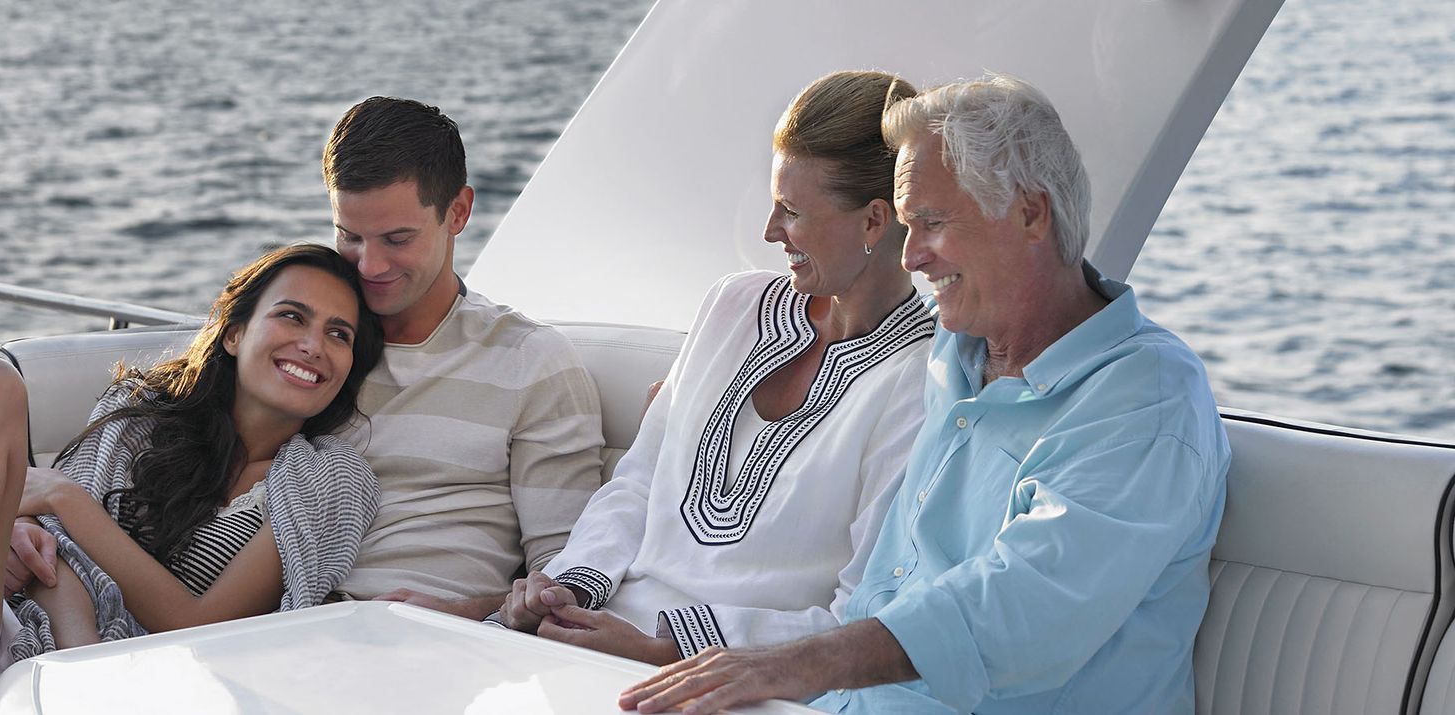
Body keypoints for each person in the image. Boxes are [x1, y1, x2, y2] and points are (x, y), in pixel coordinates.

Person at [620, 74, 1230, 715]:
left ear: (1030, 214)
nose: (910, 258)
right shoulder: (951, 347)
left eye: (932, 224)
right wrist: (686, 415)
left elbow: (1025, 606)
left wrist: (794, 664)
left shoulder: (1146, 398)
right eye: (907, 226)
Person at [491, 71, 934, 666]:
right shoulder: (733, 304)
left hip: (730, 677)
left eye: (791, 211)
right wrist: (566, 589)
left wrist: (665, 650)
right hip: (593, 629)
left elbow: (857, 615)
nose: (770, 231)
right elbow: (639, 481)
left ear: (874, 222)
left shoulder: (920, 381)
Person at [0, 244, 386, 715]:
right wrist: (22, 534)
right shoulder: (138, 416)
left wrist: (67, 501)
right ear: (234, 333)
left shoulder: (329, 480)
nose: (312, 345)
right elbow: (50, 546)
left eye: (338, 334)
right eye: (292, 316)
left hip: (140, 688)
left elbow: (201, 628)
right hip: (3, 637)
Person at [320, 96, 609, 617]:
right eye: (350, 237)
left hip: (435, 640)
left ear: (457, 212)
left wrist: (463, 613)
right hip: (283, 620)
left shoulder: (531, 362)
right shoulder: (308, 349)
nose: (369, 265)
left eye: (397, 239)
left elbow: (568, 577)